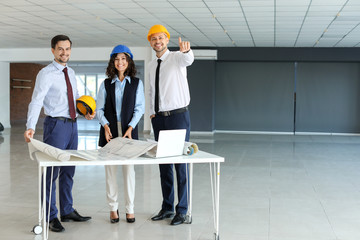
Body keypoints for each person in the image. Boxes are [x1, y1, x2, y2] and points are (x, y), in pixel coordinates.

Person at [24, 35, 95, 232]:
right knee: (51, 172)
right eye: (60, 49)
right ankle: (50, 215)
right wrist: (30, 126)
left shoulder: (70, 72)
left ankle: (67, 209)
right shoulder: (45, 74)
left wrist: (85, 112)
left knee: (69, 170)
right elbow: (36, 100)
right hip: (56, 126)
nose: (64, 52)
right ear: (53, 51)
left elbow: (73, 100)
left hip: (73, 125)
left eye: (67, 49)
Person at [147, 25, 194, 225]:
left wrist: (187, 51)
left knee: (180, 165)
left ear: (167, 40)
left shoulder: (176, 58)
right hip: (159, 118)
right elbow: (150, 91)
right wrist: (151, 115)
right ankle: (167, 207)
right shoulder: (150, 65)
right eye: (153, 39)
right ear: (150, 42)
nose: (157, 42)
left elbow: (188, 59)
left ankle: (182, 210)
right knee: (164, 165)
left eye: (161, 38)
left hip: (178, 117)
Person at [96, 45, 145, 224]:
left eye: (124, 59)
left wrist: (131, 127)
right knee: (110, 172)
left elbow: (140, 109)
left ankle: (130, 209)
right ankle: (112, 208)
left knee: (128, 172)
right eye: (117, 59)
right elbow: (99, 109)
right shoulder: (106, 84)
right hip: (109, 133)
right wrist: (106, 126)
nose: (120, 62)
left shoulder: (137, 83)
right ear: (112, 62)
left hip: (128, 134)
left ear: (129, 61)